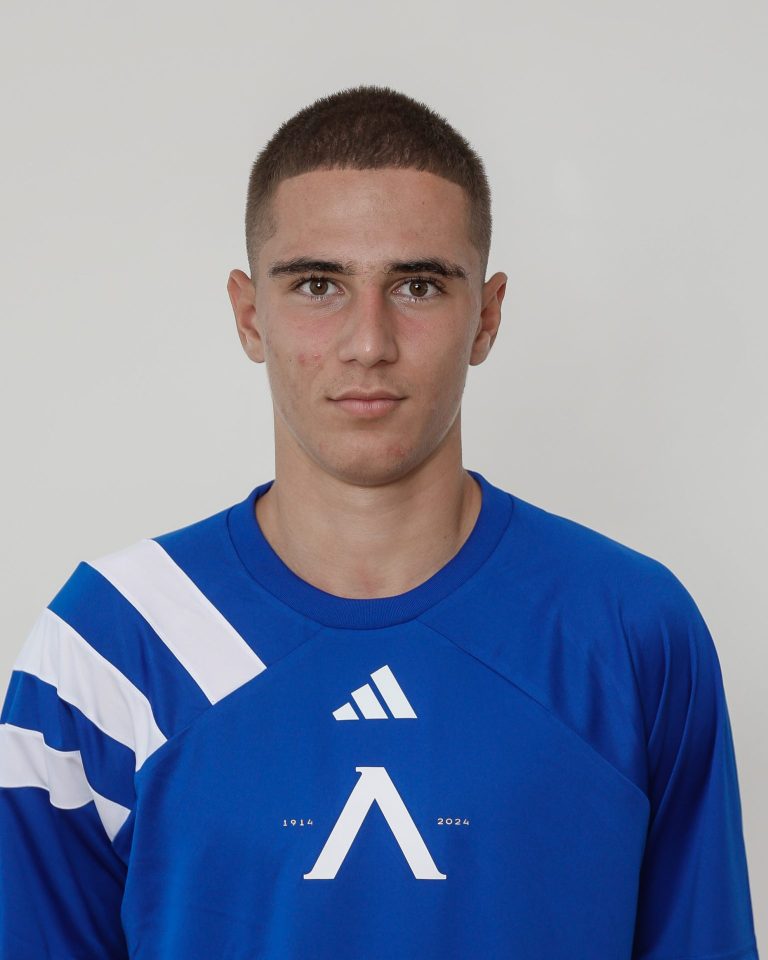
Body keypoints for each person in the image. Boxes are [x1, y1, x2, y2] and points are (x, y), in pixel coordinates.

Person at [0, 84, 759, 960]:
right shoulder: (110, 645)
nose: (369, 342)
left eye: (419, 286)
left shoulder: (627, 628)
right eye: (318, 285)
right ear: (250, 315)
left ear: (487, 316)